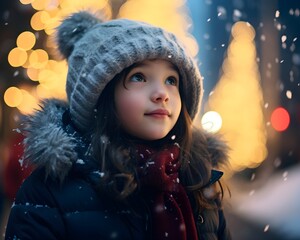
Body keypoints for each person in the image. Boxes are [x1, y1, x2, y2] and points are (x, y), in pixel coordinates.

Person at [5, 11, 231, 240]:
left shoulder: (197, 182)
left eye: (171, 80)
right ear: (100, 97)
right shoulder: (48, 195)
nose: (162, 94)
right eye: (139, 77)